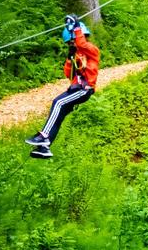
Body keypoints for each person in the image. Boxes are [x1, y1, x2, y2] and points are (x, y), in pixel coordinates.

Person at [26, 16, 100, 159]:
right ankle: (44, 148)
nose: (73, 44)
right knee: (59, 112)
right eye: (70, 43)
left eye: (74, 41)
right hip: (76, 88)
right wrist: (70, 57)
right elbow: (68, 74)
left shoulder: (92, 51)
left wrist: (76, 27)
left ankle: (43, 136)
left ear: (82, 36)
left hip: (84, 89)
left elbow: (82, 44)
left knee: (58, 102)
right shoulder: (75, 54)